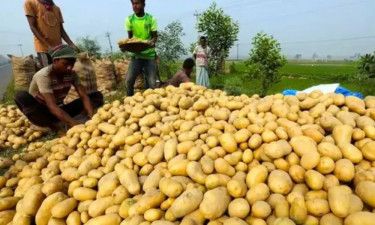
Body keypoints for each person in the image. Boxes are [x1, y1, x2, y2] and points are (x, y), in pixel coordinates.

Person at [14, 45, 103, 130]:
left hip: (59, 109)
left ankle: (61, 121)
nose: (69, 67)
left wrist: (92, 118)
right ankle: (50, 125)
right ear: (55, 61)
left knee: (96, 96)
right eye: (65, 64)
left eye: (72, 64)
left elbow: (84, 97)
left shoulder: (72, 74)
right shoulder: (44, 75)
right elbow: (51, 106)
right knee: (21, 96)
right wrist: (74, 124)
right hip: (43, 113)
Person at [24, 0, 77, 68]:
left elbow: (61, 30)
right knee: (49, 74)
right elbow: (33, 27)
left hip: (59, 50)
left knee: (61, 73)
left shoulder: (56, 8)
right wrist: (48, 45)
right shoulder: (30, 3)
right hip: (44, 49)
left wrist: (72, 44)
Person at [124, 0, 158, 96]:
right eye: (133, 4)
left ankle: (150, 103)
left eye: (137, 3)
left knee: (151, 84)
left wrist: (151, 42)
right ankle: (129, 102)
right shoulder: (129, 19)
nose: (135, 6)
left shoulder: (151, 19)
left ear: (143, 4)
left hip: (149, 56)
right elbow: (130, 39)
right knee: (129, 81)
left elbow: (155, 36)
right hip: (136, 56)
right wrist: (126, 46)